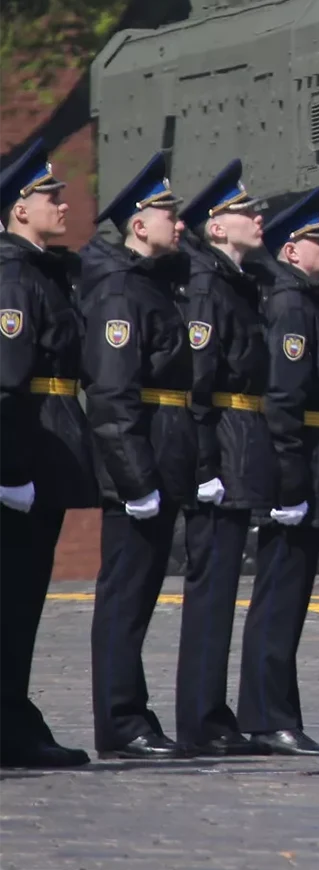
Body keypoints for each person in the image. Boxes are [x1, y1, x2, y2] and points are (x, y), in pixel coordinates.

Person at [82, 151, 194, 759]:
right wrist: (135, 478)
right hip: (139, 466)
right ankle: (121, 722)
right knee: (124, 599)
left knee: (139, 597)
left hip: (160, 457)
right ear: (137, 222)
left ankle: (131, 716)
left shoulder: (152, 286)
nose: (177, 222)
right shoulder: (121, 293)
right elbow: (112, 390)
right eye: (166, 212)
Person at [240, 189, 319, 758]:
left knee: (288, 598)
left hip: (311, 453)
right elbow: (283, 398)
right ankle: (266, 718)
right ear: (291, 249)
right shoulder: (290, 306)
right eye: (318, 242)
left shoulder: (306, 302)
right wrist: (291, 480)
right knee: (280, 596)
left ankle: (275, 713)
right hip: (298, 460)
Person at [0, 143, 97, 768]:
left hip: (41, 453)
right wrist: (9, 474)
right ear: (16, 209)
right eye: (48, 195)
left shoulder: (36, 271)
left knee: (23, 601)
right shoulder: (13, 276)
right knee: (12, 600)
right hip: (23, 457)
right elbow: (6, 380)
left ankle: (14, 717)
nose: (62, 202)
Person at [177, 161, 271, 757]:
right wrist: (207, 467)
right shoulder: (209, 287)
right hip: (223, 445)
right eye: (245, 211)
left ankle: (213, 715)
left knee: (221, 592)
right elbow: (199, 385)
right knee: (211, 591)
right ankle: (200, 719)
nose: (258, 218)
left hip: (239, 440)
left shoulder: (235, 281)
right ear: (215, 229)